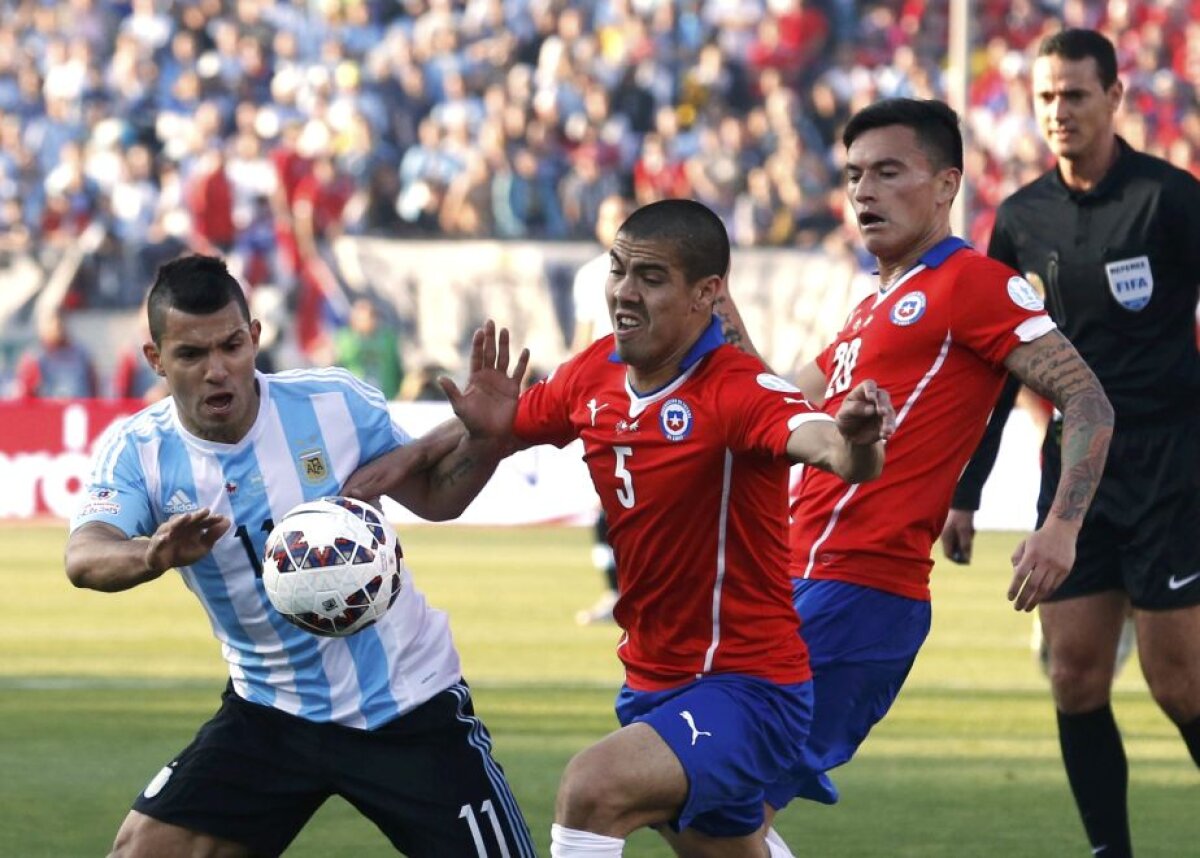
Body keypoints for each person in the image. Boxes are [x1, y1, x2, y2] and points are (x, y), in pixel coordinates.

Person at [347, 198, 898, 857]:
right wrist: (417, 452)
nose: (624, 294)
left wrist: (857, 439)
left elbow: (831, 448)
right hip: (652, 681)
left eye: (651, 277)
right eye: (618, 270)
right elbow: (493, 435)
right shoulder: (596, 372)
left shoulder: (737, 390)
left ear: (707, 295)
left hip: (747, 691)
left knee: (591, 789)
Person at [714, 97, 1114, 816]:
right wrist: (712, 301)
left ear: (945, 185)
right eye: (853, 175)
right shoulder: (871, 306)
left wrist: (1062, 525)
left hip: (860, 589)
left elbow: (1088, 399)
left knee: (706, 796)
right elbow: (774, 405)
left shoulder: (974, 284)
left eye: (887, 171)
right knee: (717, 807)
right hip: (798, 576)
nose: (864, 191)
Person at [64, 255, 534, 858]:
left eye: (232, 346)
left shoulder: (334, 403)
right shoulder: (138, 451)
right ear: (155, 359)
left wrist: (486, 442)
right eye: (191, 355)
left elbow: (437, 498)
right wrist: (151, 554)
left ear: (255, 336)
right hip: (270, 711)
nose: (218, 370)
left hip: (406, 701)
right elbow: (85, 555)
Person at [938, 30, 1200, 858]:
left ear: (1115, 98)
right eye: (1047, 97)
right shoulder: (1020, 220)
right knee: (1075, 676)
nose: (1059, 112)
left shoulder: (1171, 199)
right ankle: (1109, 852)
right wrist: (966, 489)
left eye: (1076, 95)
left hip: (1170, 465)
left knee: (1178, 680)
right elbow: (991, 369)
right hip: (1073, 478)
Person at [568, 194, 633, 626]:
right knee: (606, 502)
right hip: (605, 400)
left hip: (648, 395)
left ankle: (637, 595)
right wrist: (570, 393)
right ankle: (616, 594)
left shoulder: (660, 273)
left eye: (622, 216)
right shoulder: (590, 276)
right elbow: (584, 341)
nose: (615, 224)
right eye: (609, 216)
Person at [12, 306, 99, 398]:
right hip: (46, 411)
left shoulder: (82, 354)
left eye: (61, 320)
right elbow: (24, 396)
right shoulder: (35, 357)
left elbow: (94, 388)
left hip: (77, 409)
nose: (58, 325)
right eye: (52, 321)